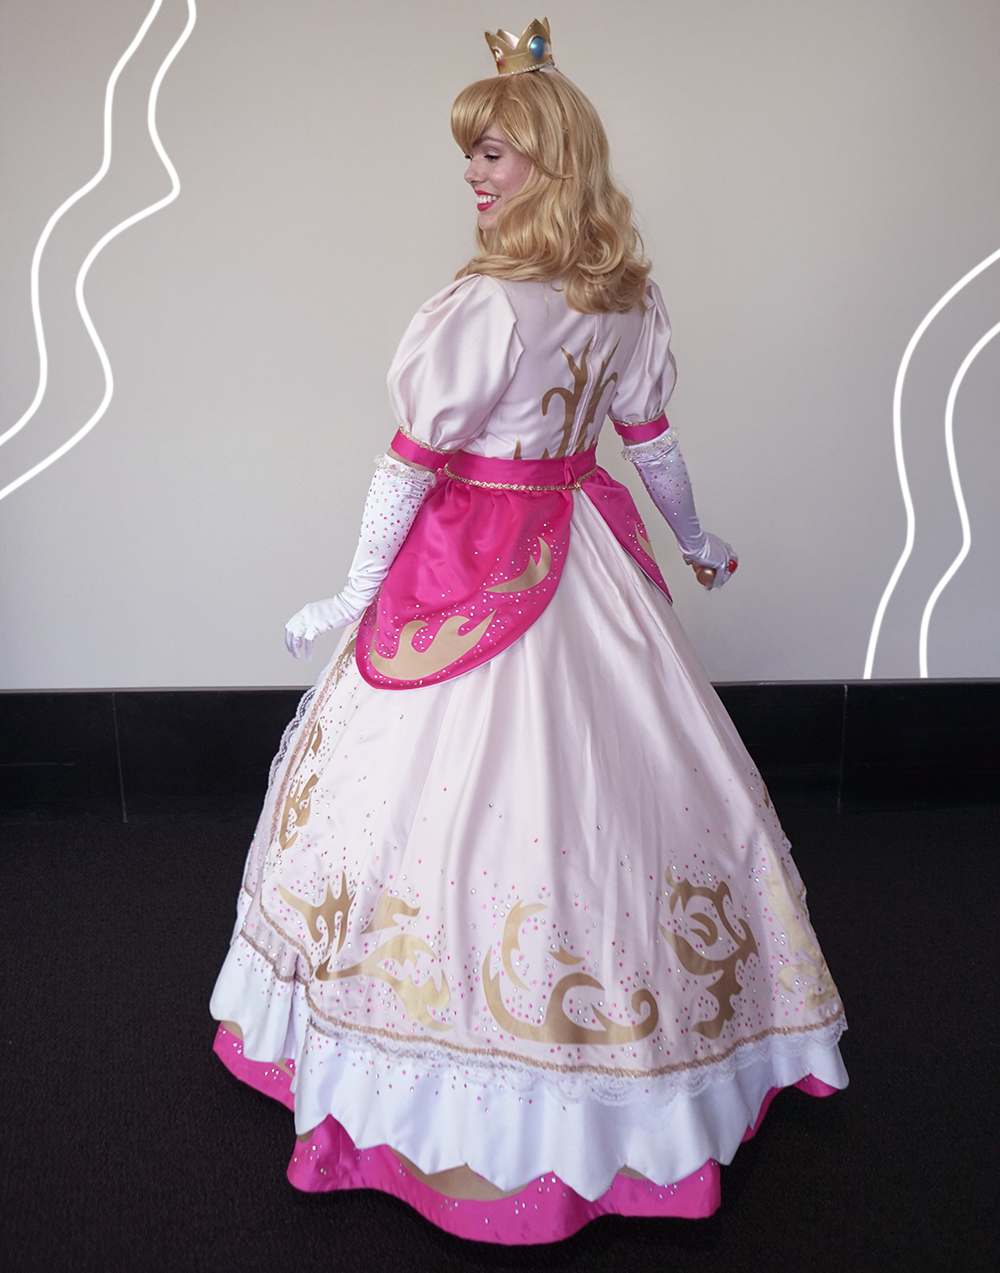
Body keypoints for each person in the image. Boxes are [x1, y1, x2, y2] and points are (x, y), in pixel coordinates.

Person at [210, 19, 847, 1245]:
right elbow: (645, 440)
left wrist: (353, 589)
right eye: (471, 156)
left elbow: (412, 465)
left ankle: (506, 1112)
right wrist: (694, 539)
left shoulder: (488, 305)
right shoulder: (623, 295)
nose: (474, 176)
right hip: (572, 556)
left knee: (498, 812)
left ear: (554, 160)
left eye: (493, 153)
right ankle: (621, 1081)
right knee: (606, 801)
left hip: (493, 557)